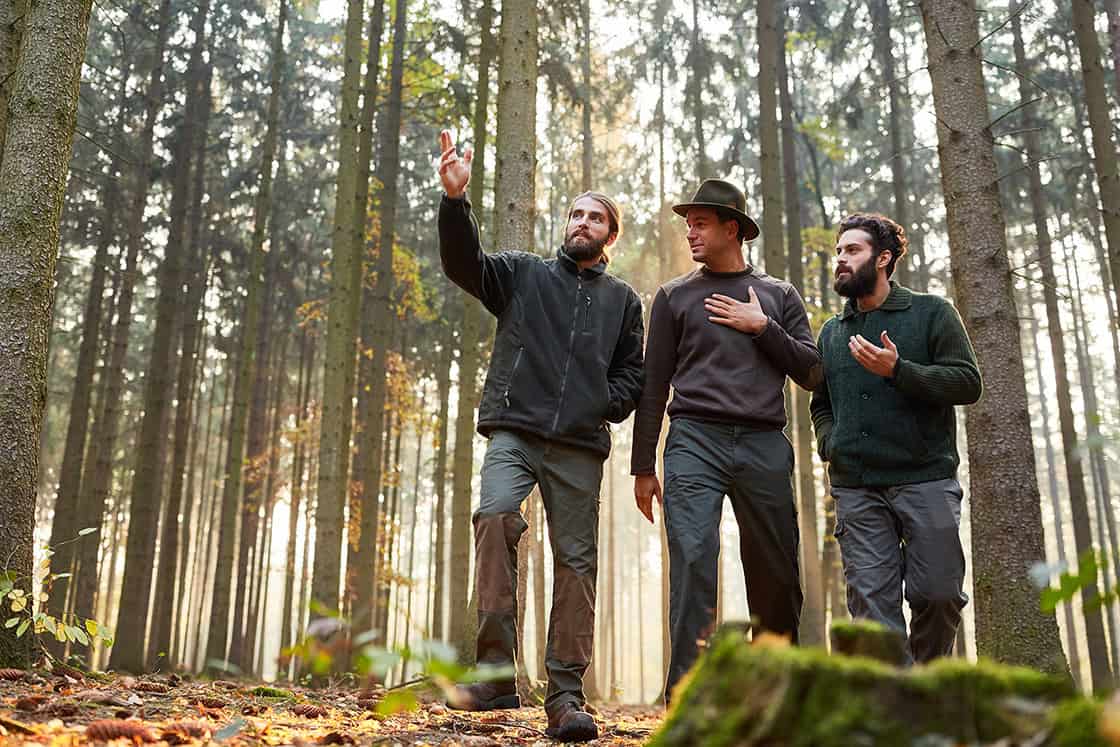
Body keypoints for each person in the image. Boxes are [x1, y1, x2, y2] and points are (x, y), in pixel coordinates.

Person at [436, 130, 644, 742]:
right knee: (497, 517)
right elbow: (463, 265)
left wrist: (602, 403)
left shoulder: (624, 302)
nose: (582, 222)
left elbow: (632, 372)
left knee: (576, 565)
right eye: (576, 213)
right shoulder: (523, 275)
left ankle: (566, 697)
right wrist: (455, 202)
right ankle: (497, 674)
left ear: (610, 234)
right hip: (515, 431)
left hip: (579, 446)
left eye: (595, 217)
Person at [630, 178, 821, 703]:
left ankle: (774, 697)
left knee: (776, 572)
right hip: (694, 440)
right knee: (693, 559)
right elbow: (653, 385)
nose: (689, 233)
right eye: (687, 224)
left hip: (763, 442)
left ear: (730, 228)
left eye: (700, 223)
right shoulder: (673, 297)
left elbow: (813, 372)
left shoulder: (779, 295)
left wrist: (763, 327)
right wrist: (642, 466)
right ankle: (687, 698)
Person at [810, 213, 982, 664]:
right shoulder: (832, 331)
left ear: (883, 258)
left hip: (926, 479)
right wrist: (830, 442)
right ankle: (900, 710)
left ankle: (925, 687)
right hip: (857, 488)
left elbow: (968, 382)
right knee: (872, 610)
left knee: (940, 594)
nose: (841, 260)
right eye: (839, 251)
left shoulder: (932, 313)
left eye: (853, 250)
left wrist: (899, 371)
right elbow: (821, 403)